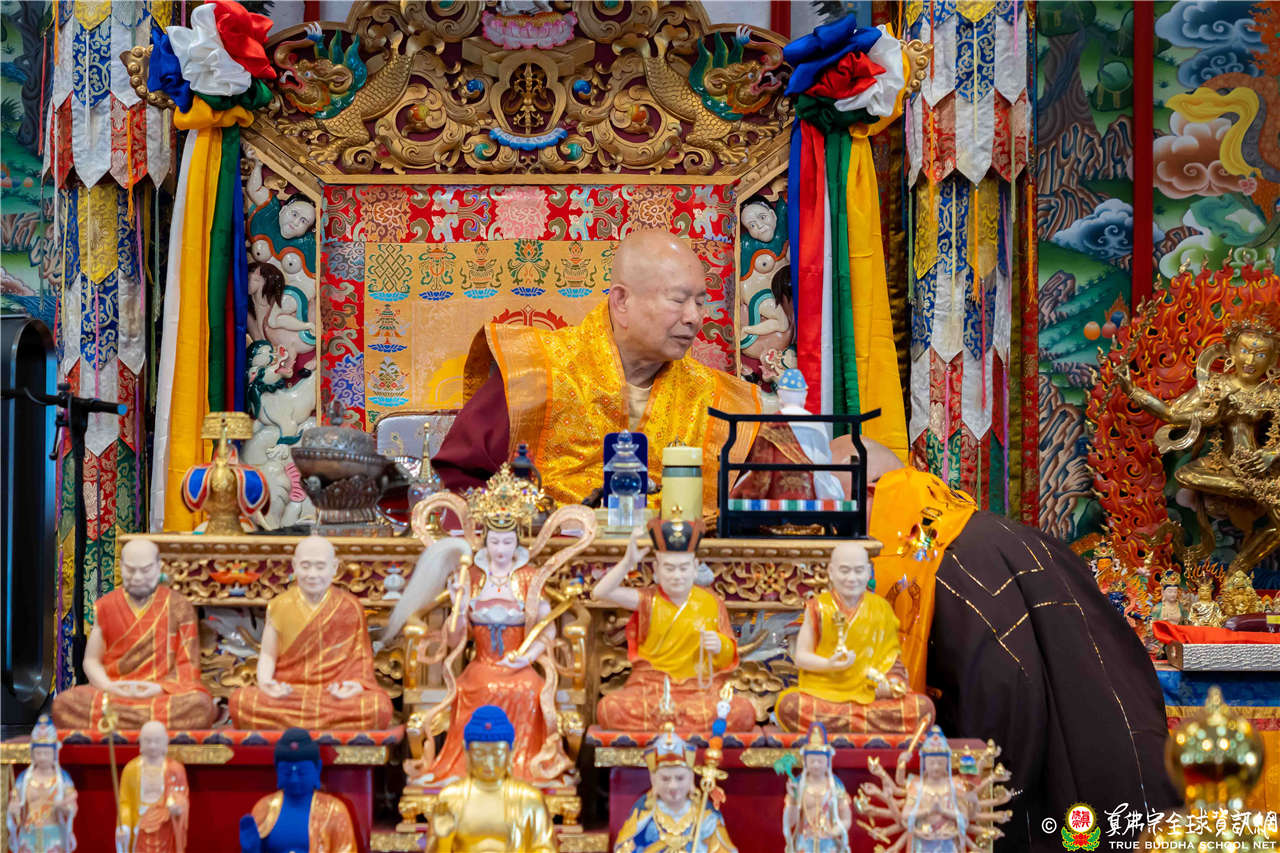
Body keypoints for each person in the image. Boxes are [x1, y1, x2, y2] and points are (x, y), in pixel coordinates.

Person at [863, 442, 1178, 850]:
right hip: (1125, 763)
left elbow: (1000, 694)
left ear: (872, 491)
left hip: (1043, 795)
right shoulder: (990, 533)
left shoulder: (932, 562)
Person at [433, 228, 819, 515]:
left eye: (700, 302)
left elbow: (785, 497)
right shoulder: (536, 371)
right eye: (678, 300)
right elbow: (458, 483)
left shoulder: (724, 401)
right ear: (621, 301)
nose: (694, 318)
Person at [383, 464, 583, 786]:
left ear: (517, 542)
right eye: (495, 543)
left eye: (507, 543)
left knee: (527, 690)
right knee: (475, 688)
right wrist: (459, 604)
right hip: (482, 663)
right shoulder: (471, 577)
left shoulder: (529, 577)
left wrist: (528, 655)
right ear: (485, 541)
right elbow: (454, 639)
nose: (501, 550)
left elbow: (547, 627)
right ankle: (469, 769)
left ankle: (522, 767)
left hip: (519, 665)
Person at [593, 518, 756, 731]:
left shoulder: (710, 602)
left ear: (695, 568)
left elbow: (728, 655)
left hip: (699, 691)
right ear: (656, 569)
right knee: (610, 708)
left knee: (743, 712)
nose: (677, 576)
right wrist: (627, 562)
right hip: (652, 688)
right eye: (669, 568)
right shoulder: (649, 600)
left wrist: (720, 645)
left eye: (683, 568)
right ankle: (684, 725)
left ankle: (668, 724)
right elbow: (600, 592)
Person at [229, 535, 393, 729]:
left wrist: (355, 686)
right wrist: (266, 683)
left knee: (378, 707)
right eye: (305, 566)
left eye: (320, 567)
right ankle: (325, 724)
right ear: (294, 566)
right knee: (240, 700)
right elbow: (267, 654)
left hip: (334, 695)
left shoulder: (350, 607)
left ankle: (294, 724)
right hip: (290, 692)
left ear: (334, 568)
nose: (312, 574)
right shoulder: (279, 605)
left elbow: (361, 662)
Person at [51, 538, 216, 730]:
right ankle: (148, 722)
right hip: (115, 693)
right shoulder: (106, 606)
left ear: (158, 567)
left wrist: (159, 688)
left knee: (200, 705)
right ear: (121, 567)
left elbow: (187, 666)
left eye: (145, 570)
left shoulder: (179, 606)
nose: (137, 577)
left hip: (160, 694)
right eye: (130, 570)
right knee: (64, 704)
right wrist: (108, 686)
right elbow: (91, 661)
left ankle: (115, 723)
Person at [775, 542, 933, 734]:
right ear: (831, 572)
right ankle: (860, 724)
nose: (851, 578)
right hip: (826, 692)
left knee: (922, 708)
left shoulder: (881, 608)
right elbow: (801, 657)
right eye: (844, 571)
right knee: (790, 705)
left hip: (870, 693)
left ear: (868, 573)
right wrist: (829, 664)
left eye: (858, 571)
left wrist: (891, 683)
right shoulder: (818, 607)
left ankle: (841, 724)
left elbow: (892, 661)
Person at [428, 706, 556, 853]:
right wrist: (443, 839)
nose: (488, 763)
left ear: (511, 751)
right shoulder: (451, 798)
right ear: (466, 751)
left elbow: (545, 849)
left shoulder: (529, 798)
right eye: (479, 753)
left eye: (497, 753)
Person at [614, 724, 737, 853]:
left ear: (690, 778)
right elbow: (625, 848)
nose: (673, 786)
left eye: (680, 778)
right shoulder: (643, 812)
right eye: (665, 779)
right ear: (653, 780)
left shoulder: (705, 815)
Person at [239, 728, 357, 853]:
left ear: (317, 769)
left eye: (302, 772)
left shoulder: (334, 811)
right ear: (277, 770)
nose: (294, 779)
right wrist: (251, 850)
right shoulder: (265, 807)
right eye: (287, 772)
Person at [5, 716, 76, 853]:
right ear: (32, 754)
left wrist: (66, 807)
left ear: (54, 754)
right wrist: (13, 809)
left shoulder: (62, 778)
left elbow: (72, 805)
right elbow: (15, 801)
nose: (42, 757)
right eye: (38, 753)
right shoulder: (24, 778)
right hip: (29, 831)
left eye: (46, 753)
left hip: (53, 833)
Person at [115, 721, 189, 853]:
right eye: (147, 741)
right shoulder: (131, 770)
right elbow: (125, 803)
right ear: (140, 742)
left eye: (157, 741)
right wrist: (124, 826)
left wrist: (178, 806)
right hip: (140, 824)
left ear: (166, 742)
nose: (152, 746)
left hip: (165, 826)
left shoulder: (175, 769)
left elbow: (182, 796)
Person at [782, 723, 851, 853]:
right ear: (805, 762)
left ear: (828, 762)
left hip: (829, 842)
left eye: (820, 761)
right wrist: (792, 797)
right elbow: (790, 822)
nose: (816, 765)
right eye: (812, 761)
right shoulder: (799, 784)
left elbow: (846, 819)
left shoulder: (835, 785)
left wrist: (834, 831)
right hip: (805, 841)